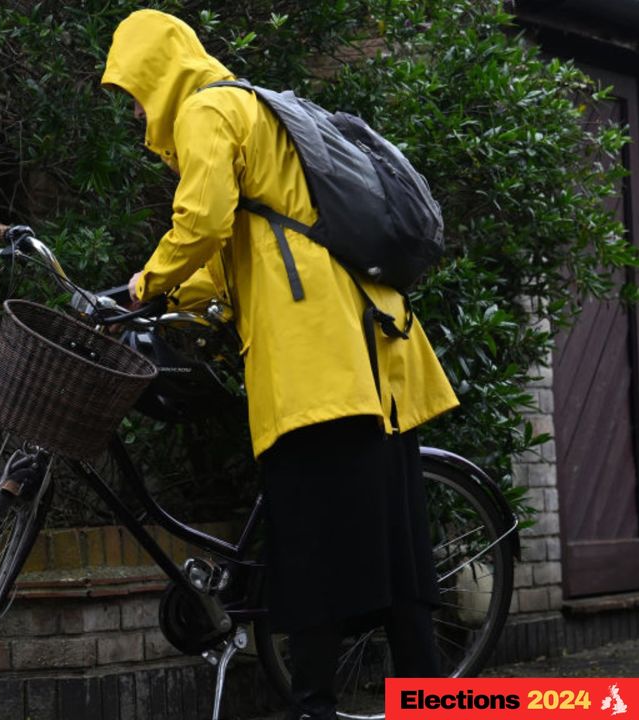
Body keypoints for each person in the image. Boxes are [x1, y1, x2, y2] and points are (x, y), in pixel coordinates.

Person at [100, 10, 460, 720]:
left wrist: (142, 287)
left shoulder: (207, 110)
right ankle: (431, 701)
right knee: (394, 551)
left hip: (319, 365)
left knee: (311, 544)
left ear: (158, 70)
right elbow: (240, 253)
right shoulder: (247, 110)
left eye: (133, 91)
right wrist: (183, 300)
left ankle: (315, 706)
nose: (137, 110)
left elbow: (201, 224)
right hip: (368, 350)